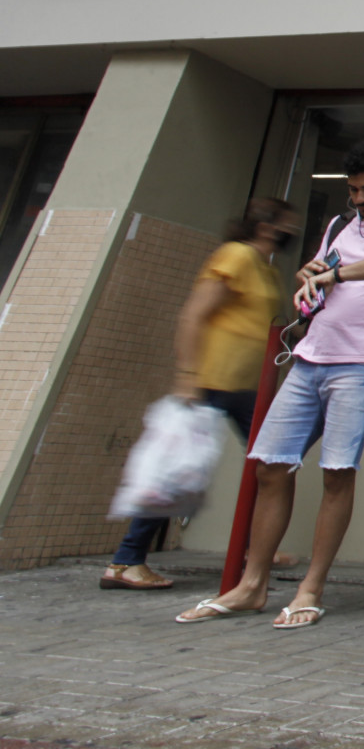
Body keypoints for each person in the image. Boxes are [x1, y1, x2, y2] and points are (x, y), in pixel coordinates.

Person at [174, 139, 364, 629]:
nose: (361, 199)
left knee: (337, 472)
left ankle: (311, 588)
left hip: (363, 367)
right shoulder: (339, 225)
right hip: (309, 360)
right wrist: (311, 275)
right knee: (270, 466)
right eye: (354, 189)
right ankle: (251, 586)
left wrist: (340, 273)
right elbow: (317, 277)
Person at [102, 196, 299, 590]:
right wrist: (187, 375)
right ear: (266, 227)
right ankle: (126, 562)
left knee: (270, 467)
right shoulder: (236, 256)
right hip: (212, 381)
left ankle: (249, 547)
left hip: (245, 387)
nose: (293, 231)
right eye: (287, 224)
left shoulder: (266, 269)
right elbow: (194, 313)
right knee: (176, 472)